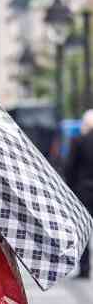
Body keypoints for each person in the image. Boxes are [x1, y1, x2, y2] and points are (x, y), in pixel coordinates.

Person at [65, 109, 93, 279]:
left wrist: (70, 190)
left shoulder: (79, 141)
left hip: (83, 191)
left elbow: (70, 168)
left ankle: (84, 268)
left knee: (84, 230)